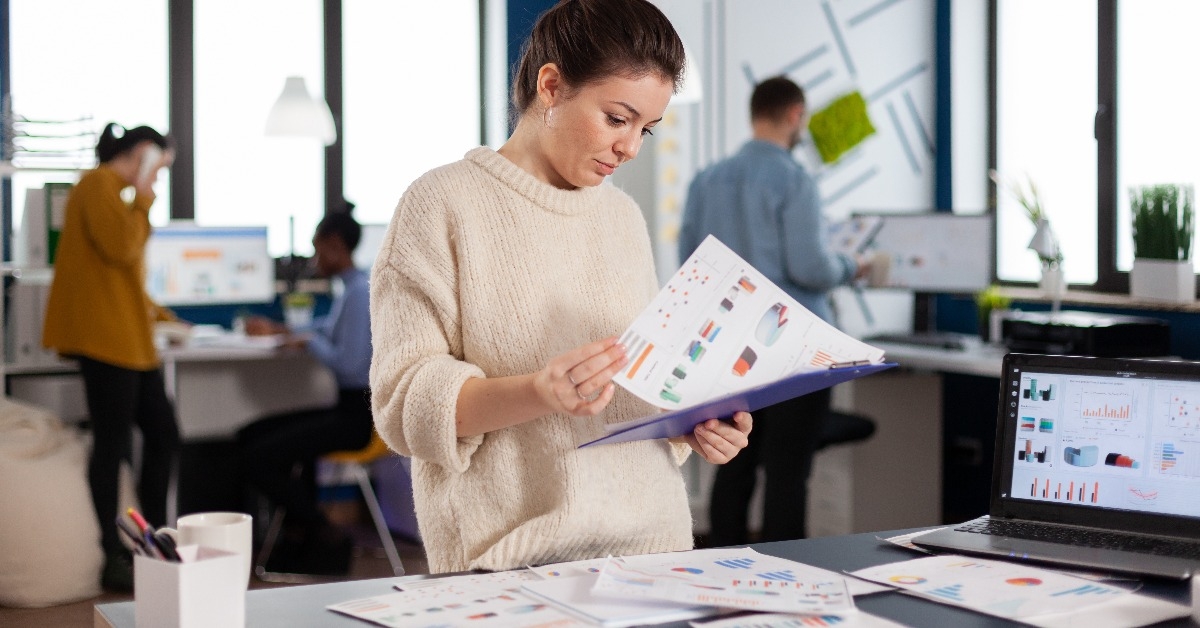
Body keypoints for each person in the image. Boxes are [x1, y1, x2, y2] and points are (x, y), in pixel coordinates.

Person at [369, 0, 752, 575]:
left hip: (656, 553)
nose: (631, 148)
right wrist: (539, 392)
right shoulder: (441, 205)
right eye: (617, 119)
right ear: (551, 85)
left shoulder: (623, 218)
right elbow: (403, 408)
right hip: (512, 568)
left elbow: (638, 379)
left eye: (646, 128)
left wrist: (694, 421)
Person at [678, 76, 871, 546]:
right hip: (792, 349)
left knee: (732, 465)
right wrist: (851, 266)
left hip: (728, 350)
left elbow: (692, 263)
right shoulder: (794, 179)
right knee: (787, 473)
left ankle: (718, 568)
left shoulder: (707, 179)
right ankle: (790, 577)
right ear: (794, 115)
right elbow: (810, 266)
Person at [42, 122, 180, 592]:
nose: (157, 182)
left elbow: (123, 276)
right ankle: (111, 555)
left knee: (162, 433)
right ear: (141, 155)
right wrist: (142, 195)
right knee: (112, 445)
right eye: (156, 168)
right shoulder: (97, 185)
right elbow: (121, 248)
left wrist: (165, 315)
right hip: (107, 343)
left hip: (130, 342)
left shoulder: (113, 197)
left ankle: (153, 542)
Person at [237, 202, 373, 576]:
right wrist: (285, 332)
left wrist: (305, 343)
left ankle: (320, 530)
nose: (314, 257)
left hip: (357, 417)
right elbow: (324, 330)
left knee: (258, 456)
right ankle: (300, 533)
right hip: (344, 409)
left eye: (316, 247)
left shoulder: (360, 293)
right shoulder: (348, 291)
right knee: (250, 434)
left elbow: (349, 365)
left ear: (333, 244)